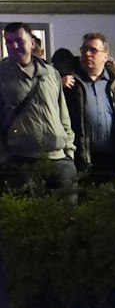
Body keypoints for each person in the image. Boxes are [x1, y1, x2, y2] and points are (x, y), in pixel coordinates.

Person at [0, 21, 76, 198]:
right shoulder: (2, 76)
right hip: (21, 161)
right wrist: (4, 159)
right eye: (8, 42)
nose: (13, 46)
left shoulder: (51, 73)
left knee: (66, 218)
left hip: (59, 159)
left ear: (32, 42)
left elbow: (62, 113)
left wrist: (69, 151)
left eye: (19, 40)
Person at [64, 32, 115, 183]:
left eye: (93, 50)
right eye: (84, 49)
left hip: (114, 158)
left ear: (106, 56)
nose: (87, 54)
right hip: (82, 157)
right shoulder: (71, 84)